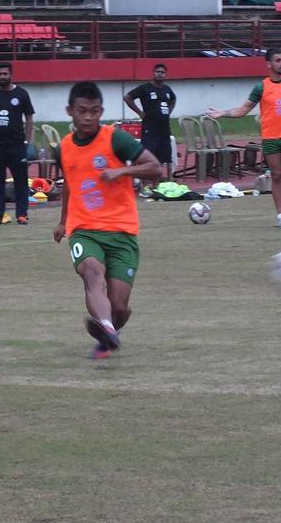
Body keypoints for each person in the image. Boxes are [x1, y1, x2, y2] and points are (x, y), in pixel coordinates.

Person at [53, 81, 161, 359]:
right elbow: (69, 184)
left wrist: (122, 173)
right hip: (84, 230)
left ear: (101, 112)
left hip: (122, 230)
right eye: (82, 111)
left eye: (95, 111)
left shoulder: (116, 139)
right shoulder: (63, 148)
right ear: (70, 111)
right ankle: (106, 327)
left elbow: (156, 168)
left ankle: (110, 330)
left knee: (120, 307)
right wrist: (63, 221)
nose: (88, 117)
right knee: (91, 272)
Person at [206, 49, 281, 227]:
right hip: (271, 138)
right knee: (277, 175)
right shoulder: (261, 87)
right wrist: (223, 112)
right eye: (278, 60)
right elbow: (243, 110)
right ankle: (280, 215)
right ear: (269, 64)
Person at [0, 61, 35, 226]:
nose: (2, 77)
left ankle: (22, 214)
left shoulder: (22, 94)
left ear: (11, 75)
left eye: (5, 74)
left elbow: (29, 118)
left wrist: (27, 141)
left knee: (20, 180)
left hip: (16, 145)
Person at [123, 63, 176, 191]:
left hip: (164, 128)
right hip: (150, 127)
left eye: (162, 72)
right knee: (147, 156)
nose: (160, 74)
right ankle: (144, 184)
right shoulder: (145, 88)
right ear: (153, 73)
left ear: (165, 74)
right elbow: (127, 97)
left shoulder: (167, 89)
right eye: (158, 71)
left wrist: (169, 111)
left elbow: (173, 99)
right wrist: (139, 112)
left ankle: (158, 184)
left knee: (162, 156)